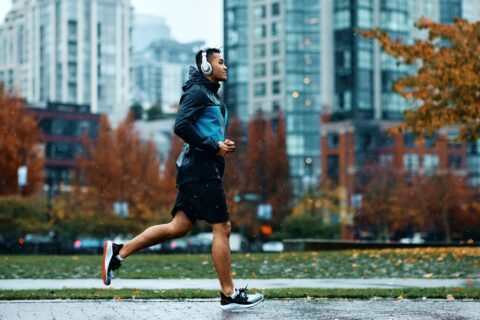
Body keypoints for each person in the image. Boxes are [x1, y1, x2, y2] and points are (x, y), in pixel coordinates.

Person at [101, 48, 264, 311]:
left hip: (198, 169)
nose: (226, 66)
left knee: (178, 227)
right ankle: (228, 293)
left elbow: (203, 130)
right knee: (222, 228)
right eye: (220, 62)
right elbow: (181, 126)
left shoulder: (209, 94)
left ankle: (118, 252)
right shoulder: (197, 92)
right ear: (206, 68)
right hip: (200, 171)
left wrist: (220, 146)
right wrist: (213, 146)